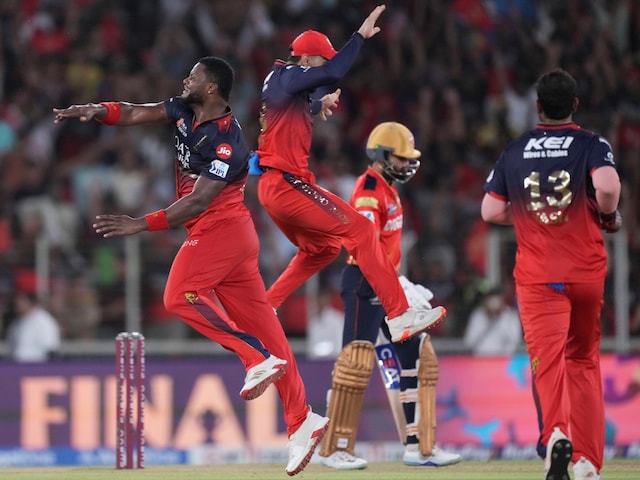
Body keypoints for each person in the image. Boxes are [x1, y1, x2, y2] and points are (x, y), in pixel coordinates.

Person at [53, 56, 328, 476]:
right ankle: (302, 419)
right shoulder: (183, 109)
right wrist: (97, 110)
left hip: (222, 230)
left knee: (178, 296)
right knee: (271, 333)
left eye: (194, 76)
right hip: (231, 240)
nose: (186, 79)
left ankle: (253, 357)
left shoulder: (228, 141)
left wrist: (139, 224)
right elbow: (135, 112)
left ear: (212, 87)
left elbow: (198, 201)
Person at [251, 4, 446, 346]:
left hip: (276, 186)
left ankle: (265, 307)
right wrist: (359, 37)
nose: (324, 68)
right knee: (361, 230)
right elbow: (333, 72)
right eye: (321, 61)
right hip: (286, 184)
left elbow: (294, 105)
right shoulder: (290, 74)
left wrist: (318, 105)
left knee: (324, 248)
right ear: (306, 59)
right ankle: (399, 314)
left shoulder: (281, 82)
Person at [481, 68, 622, 480]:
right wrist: (608, 216)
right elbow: (608, 188)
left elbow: (490, 210)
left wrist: (528, 214)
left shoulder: (515, 149)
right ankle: (588, 462)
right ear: (575, 104)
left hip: (539, 275)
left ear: (538, 107)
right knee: (583, 361)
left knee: (547, 362)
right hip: (585, 272)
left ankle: (557, 433)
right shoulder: (591, 143)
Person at [319, 122, 462, 469]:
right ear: (382, 155)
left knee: (418, 355)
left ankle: (419, 446)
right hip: (365, 281)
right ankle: (335, 448)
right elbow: (366, 247)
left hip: (386, 283)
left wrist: (398, 283)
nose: (407, 164)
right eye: (401, 158)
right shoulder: (369, 190)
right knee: (354, 363)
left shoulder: (388, 188)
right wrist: (394, 286)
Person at [463, 287, 523, 356]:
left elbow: (515, 341)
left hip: (504, 359)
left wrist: (499, 317)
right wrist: (488, 319)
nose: (494, 302)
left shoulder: (511, 315)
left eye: (497, 298)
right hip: (480, 359)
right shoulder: (478, 315)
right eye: (490, 299)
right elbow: (469, 342)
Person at [7, 291, 61, 362]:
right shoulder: (16, 322)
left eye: (21, 300)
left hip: (37, 364)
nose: (17, 303)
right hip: (17, 364)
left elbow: (51, 347)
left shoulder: (44, 320)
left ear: (30, 302)